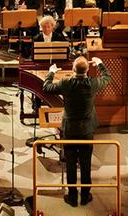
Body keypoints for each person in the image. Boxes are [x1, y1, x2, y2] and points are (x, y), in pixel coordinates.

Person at [43, 56, 111, 206]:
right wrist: (100, 63)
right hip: (86, 129)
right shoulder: (93, 83)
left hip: (70, 129)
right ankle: (85, 196)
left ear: (73, 70)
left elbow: (46, 87)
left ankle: (73, 197)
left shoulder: (66, 83)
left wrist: (51, 72)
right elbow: (107, 78)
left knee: (71, 163)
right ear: (87, 70)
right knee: (86, 163)